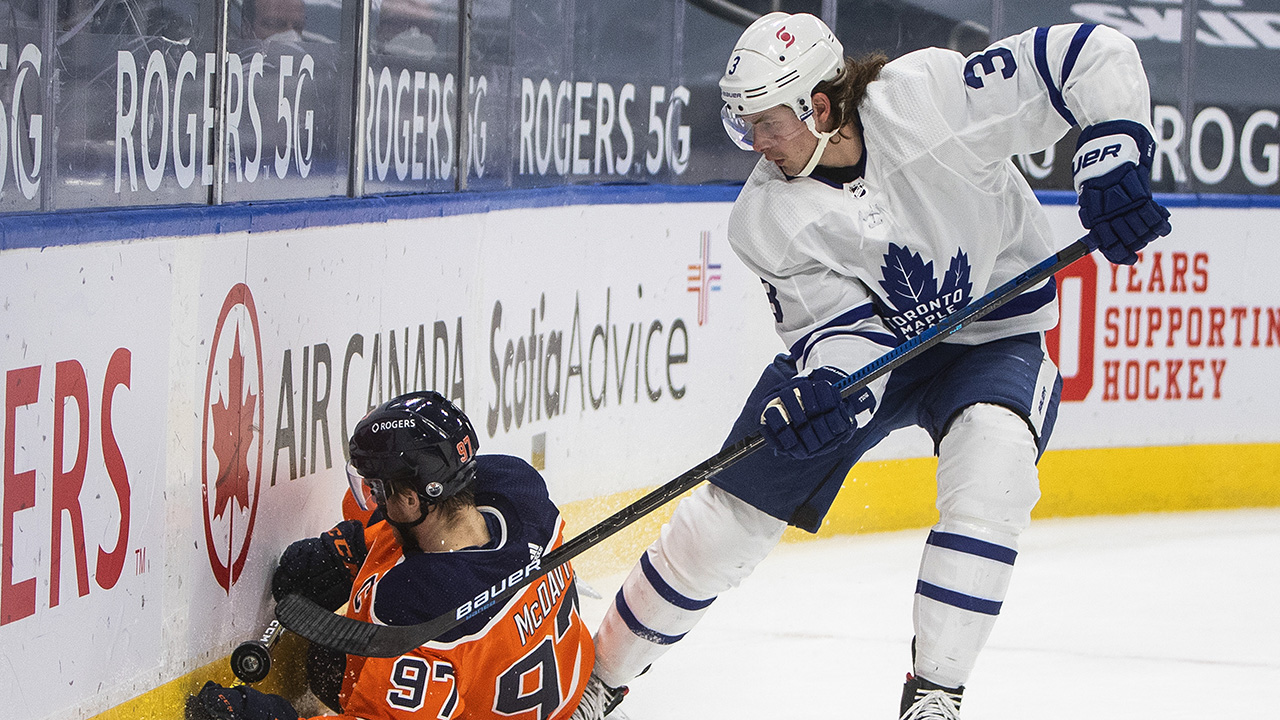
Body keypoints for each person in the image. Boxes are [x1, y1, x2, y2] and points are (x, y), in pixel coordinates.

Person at [582, 12, 1170, 720]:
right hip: (878, 358)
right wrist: (828, 390)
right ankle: (598, 678)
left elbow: (1088, 52)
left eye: (765, 123)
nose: (756, 144)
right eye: (745, 126)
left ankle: (934, 693)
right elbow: (840, 335)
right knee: (726, 523)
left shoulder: (929, 96)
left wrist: (1111, 156)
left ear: (820, 106)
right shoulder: (763, 219)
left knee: (996, 461)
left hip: (995, 335)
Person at [188, 390, 601, 720]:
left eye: (377, 488)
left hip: (477, 693)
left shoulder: (420, 612)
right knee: (331, 655)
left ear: (410, 496)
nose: (372, 498)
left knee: (337, 663)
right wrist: (361, 544)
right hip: (565, 689)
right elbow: (429, 518)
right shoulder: (518, 492)